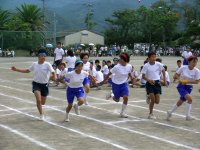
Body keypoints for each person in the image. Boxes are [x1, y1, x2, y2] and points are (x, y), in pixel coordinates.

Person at [11, 50, 56, 120]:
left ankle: (41, 107)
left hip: (44, 85)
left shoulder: (47, 64)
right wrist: (16, 69)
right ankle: (41, 114)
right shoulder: (34, 64)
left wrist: (54, 76)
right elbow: (27, 71)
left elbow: (53, 72)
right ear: (38, 57)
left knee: (43, 103)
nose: (43, 57)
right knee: (38, 100)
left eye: (44, 56)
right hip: (36, 84)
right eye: (42, 56)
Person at [167, 56, 200, 121]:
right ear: (189, 62)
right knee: (190, 99)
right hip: (181, 86)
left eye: (196, 62)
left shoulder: (197, 71)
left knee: (181, 101)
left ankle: (170, 112)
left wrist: (187, 81)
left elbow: (197, 81)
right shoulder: (183, 68)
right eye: (193, 62)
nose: (194, 63)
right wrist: (180, 80)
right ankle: (188, 116)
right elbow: (175, 75)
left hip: (189, 87)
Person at [100, 53, 133, 118]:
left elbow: (129, 73)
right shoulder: (116, 67)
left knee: (125, 97)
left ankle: (122, 112)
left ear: (125, 60)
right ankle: (111, 94)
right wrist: (103, 81)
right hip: (115, 84)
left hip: (124, 84)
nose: (119, 60)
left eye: (121, 59)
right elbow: (108, 74)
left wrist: (132, 79)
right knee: (117, 100)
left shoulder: (129, 66)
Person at [141, 52, 166, 119]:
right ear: (149, 58)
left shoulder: (159, 64)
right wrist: (149, 80)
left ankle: (148, 96)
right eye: (152, 57)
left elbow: (163, 70)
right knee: (153, 99)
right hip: (149, 83)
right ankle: (150, 113)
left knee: (157, 101)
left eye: (155, 57)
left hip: (157, 83)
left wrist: (165, 80)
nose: (154, 58)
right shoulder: (146, 65)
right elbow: (143, 76)